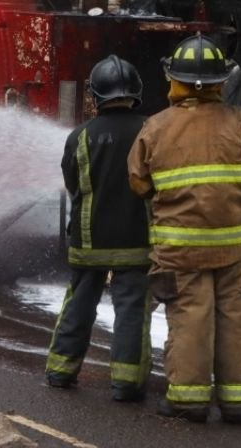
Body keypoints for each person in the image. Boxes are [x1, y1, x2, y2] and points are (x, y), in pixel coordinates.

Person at [129, 34, 241, 425]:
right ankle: (237, 403)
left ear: (173, 79)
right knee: (236, 319)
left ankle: (189, 401)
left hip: (181, 249)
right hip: (238, 248)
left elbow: (138, 182)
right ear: (219, 83)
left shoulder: (155, 128)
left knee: (191, 318)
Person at [44, 56, 152, 402]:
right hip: (137, 241)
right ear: (135, 91)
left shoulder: (80, 136)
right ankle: (126, 383)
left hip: (88, 240)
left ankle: (60, 371)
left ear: (96, 95)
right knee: (131, 310)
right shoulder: (151, 131)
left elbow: (72, 185)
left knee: (78, 304)